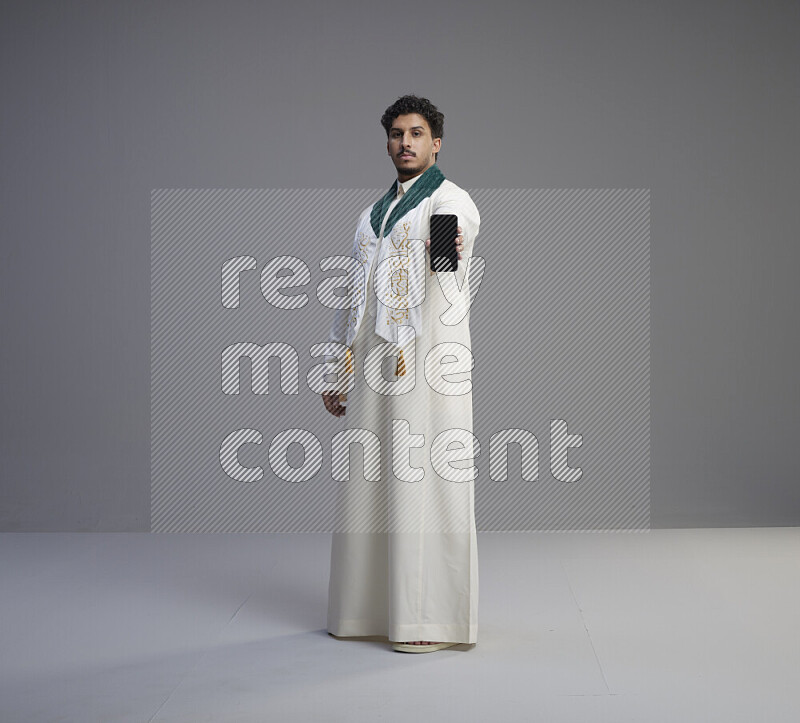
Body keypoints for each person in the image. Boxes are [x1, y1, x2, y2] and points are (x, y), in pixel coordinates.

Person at [322, 95, 480, 653]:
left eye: (416, 133)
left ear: (436, 142)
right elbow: (353, 294)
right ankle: (367, 611)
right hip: (372, 366)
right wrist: (338, 368)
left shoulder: (449, 200)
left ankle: (426, 620)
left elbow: (448, 250)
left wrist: (449, 246)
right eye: (395, 134)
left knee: (422, 479)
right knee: (371, 482)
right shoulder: (370, 214)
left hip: (425, 363)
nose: (405, 142)